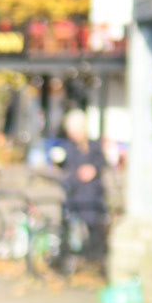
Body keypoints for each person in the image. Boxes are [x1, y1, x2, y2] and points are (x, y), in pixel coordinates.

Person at [59, 106, 108, 266]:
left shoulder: (93, 147)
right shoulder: (68, 148)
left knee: (95, 229)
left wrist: (93, 169)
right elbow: (67, 173)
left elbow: (101, 163)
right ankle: (76, 257)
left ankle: (94, 259)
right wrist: (76, 176)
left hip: (92, 196)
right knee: (71, 227)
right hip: (76, 195)